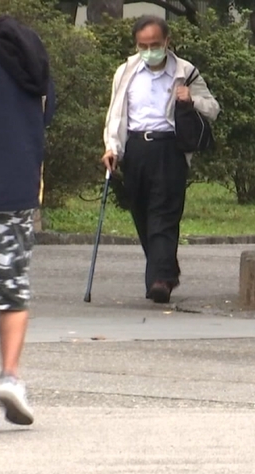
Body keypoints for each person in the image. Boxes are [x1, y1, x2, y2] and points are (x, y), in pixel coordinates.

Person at [0, 0, 55, 434]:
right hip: (18, 189)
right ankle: (12, 377)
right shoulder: (25, 45)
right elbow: (46, 111)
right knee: (12, 288)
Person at [102, 15, 220, 304]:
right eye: (143, 45)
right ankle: (167, 269)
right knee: (142, 214)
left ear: (167, 42)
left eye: (155, 44)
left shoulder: (185, 71)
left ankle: (160, 281)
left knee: (163, 216)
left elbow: (213, 108)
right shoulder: (126, 72)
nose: (149, 50)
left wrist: (191, 98)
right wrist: (112, 148)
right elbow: (116, 114)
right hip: (136, 149)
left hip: (169, 148)